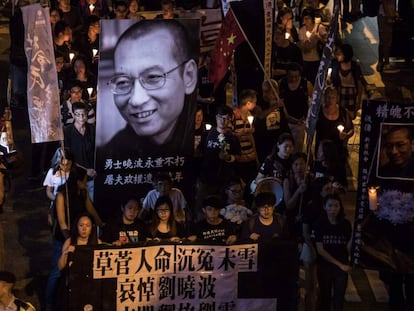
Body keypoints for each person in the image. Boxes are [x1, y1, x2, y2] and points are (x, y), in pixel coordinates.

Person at [101, 19, 198, 157]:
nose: (136, 100)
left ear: (189, 76)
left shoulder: (200, 141)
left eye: (152, 77)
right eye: (122, 82)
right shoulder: (111, 153)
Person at [195, 105, 241, 221]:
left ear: (230, 119)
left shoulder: (233, 137)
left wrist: (229, 157)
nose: (223, 121)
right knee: (202, 207)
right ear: (216, 118)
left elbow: (238, 156)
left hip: (225, 180)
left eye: (226, 118)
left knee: (224, 211)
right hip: (206, 178)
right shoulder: (208, 134)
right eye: (220, 118)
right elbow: (200, 151)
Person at [314, 193, 352, 311]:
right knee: (325, 298)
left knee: (339, 299)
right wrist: (339, 264)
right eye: (330, 206)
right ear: (325, 207)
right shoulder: (320, 224)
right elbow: (320, 250)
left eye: (336, 206)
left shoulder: (345, 224)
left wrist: (353, 237)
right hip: (326, 266)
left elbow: (348, 248)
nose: (333, 209)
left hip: (342, 266)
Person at [64, 101, 96, 199]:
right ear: (73, 115)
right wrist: (85, 170)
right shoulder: (67, 131)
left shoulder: (92, 129)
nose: (81, 118)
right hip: (75, 173)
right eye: (78, 115)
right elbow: (66, 157)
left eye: (84, 114)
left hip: (92, 173)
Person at [279, 62, 312, 152]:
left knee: (298, 147)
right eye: (291, 76)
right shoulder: (282, 83)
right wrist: (288, 117)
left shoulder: (306, 84)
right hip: (286, 122)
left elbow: (312, 102)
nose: (293, 79)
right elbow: (280, 102)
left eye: (296, 76)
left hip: (300, 121)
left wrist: (305, 118)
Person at [329, 43, 364, 120]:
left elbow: (359, 84)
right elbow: (332, 80)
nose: (337, 55)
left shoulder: (354, 66)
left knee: (350, 116)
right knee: (340, 115)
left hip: (351, 94)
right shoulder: (336, 65)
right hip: (340, 93)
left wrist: (358, 103)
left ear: (346, 54)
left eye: (339, 54)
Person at [233, 89, 259, 186]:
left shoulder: (249, 115)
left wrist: (255, 155)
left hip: (250, 156)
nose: (255, 105)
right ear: (248, 103)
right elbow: (229, 134)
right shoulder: (234, 115)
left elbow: (251, 136)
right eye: (254, 102)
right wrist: (243, 132)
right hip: (239, 157)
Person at [298, 7, 327, 84]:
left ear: (312, 18)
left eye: (308, 18)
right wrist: (306, 44)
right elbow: (303, 48)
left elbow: (327, 42)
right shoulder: (302, 30)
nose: (305, 21)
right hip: (305, 61)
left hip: (317, 60)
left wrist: (319, 38)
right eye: (304, 19)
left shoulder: (319, 28)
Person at [376, 0, 400, 74]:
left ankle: (381, 62)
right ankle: (387, 65)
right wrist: (389, 15)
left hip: (383, 14)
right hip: (385, 15)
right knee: (387, 41)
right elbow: (386, 2)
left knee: (383, 40)